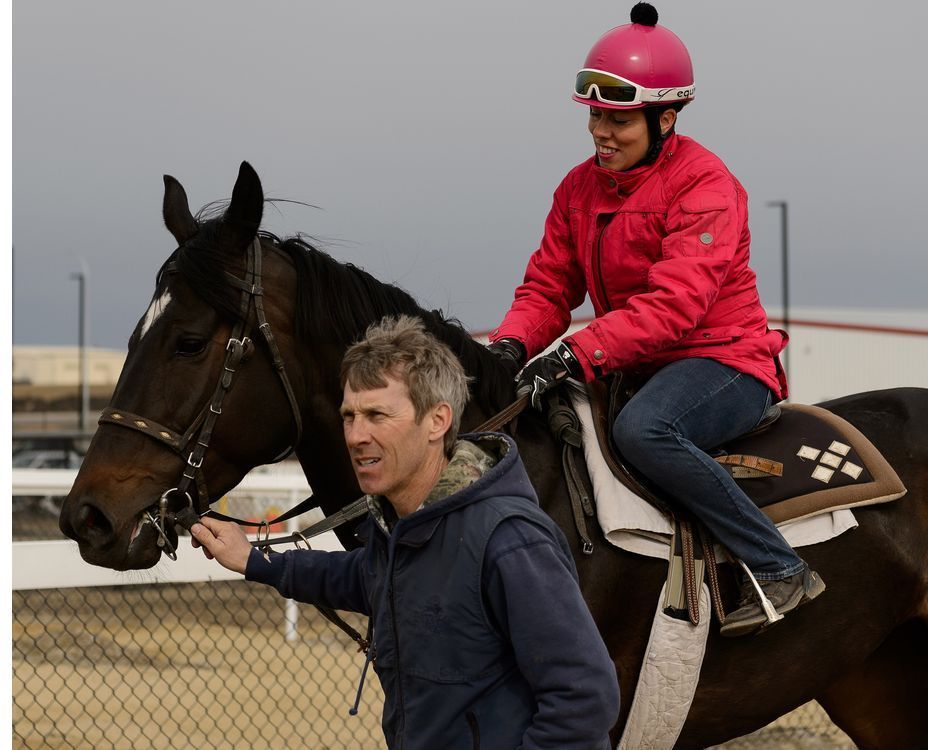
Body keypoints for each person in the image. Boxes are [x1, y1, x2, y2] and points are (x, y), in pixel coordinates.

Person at [486, 2, 824, 637]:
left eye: (619, 121)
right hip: (635, 360)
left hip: (725, 362)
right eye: (595, 117)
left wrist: (577, 352)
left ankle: (779, 567)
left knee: (644, 432)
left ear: (665, 119)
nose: (601, 134)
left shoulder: (706, 184)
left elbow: (676, 306)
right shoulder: (576, 189)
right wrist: (509, 346)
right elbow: (548, 284)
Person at [190, 315, 620, 749]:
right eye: (350, 416)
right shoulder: (400, 529)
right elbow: (362, 576)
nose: (357, 435)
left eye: (377, 414)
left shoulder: (508, 540)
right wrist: (251, 559)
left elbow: (584, 699)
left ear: (437, 421)